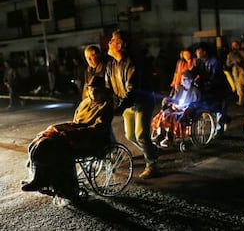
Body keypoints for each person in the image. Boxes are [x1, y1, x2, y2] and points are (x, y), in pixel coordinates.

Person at [21, 76, 113, 204]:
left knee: (54, 146)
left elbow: (97, 129)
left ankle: (66, 189)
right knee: (41, 139)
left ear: (102, 91)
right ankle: (39, 178)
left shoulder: (106, 106)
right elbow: (75, 122)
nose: (92, 92)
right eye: (90, 89)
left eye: (96, 90)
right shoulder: (85, 102)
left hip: (91, 139)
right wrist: (55, 129)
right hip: (76, 134)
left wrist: (68, 134)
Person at [105, 29, 159, 179]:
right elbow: (108, 88)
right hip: (127, 105)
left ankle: (152, 165)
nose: (109, 43)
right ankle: (153, 150)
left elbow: (133, 89)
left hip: (142, 102)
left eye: (112, 40)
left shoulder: (131, 63)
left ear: (120, 45)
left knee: (141, 135)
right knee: (130, 135)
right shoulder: (111, 65)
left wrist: (120, 107)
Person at [151, 70, 200, 147]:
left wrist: (184, 108)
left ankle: (169, 139)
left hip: (186, 111)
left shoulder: (194, 91)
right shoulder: (180, 89)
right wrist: (169, 101)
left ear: (190, 80)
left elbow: (194, 104)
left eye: (184, 79)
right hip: (176, 107)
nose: (182, 81)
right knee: (163, 113)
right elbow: (174, 99)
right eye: (181, 79)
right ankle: (160, 135)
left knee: (172, 116)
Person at [191, 42, 230, 137]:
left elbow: (216, 77)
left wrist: (206, 84)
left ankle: (220, 128)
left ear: (204, 52)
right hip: (206, 88)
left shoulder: (214, 61)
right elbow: (194, 72)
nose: (196, 52)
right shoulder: (198, 61)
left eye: (198, 50)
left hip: (219, 89)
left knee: (219, 109)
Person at [226, 40, 244, 106]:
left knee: (240, 85)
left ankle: (242, 101)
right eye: (233, 45)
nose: (234, 47)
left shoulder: (243, 53)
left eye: (235, 45)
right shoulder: (230, 55)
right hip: (235, 72)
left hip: (242, 71)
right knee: (238, 86)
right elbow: (227, 64)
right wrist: (232, 63)